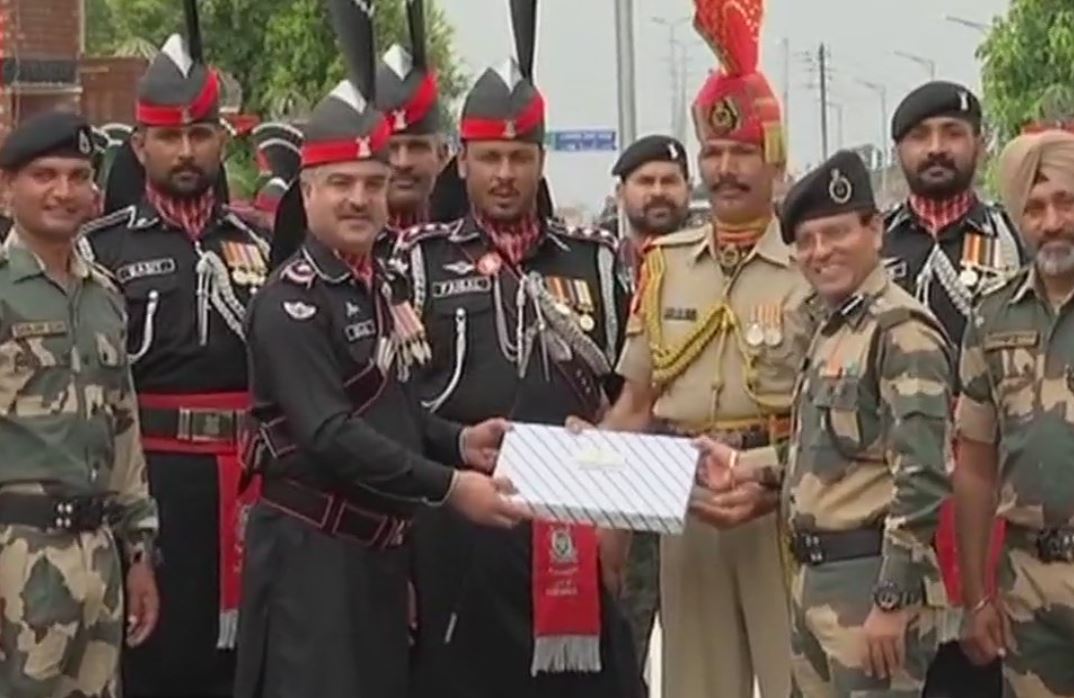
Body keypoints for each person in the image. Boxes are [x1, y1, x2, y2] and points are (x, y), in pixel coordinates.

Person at [232, 5, 527, 695]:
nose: (359, 199)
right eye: (340, 184)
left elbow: (390, 405)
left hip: (376, 558)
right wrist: (452, 488)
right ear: (307, 194)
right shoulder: (291, 300)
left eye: (371, 183)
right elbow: (332, 433)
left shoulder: (374, 282)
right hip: (312, 564)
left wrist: (460, 442)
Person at [395, 2, 638, 697]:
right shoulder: (415, 262)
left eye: (520, 157)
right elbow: (396, 404)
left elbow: (629, 396)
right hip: (458, 527)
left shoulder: (595, 264)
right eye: (490, 158)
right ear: (461, 161)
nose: (505, 174)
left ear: (541, 159)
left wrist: (616, 507)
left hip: (575, 528)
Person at [597, 2, 804, 696]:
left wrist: (770, 476)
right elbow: (634, 403)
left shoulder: (815, 265)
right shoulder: (665, 265)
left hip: (786, 512)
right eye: (712, 154)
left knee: (794, 685)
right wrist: (604, 517)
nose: (725, 169)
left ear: (775, 159)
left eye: (742, 151)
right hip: (687, 511)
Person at [698, 149, 954, 696]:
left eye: (836, 233)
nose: (820, 252)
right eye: (807, 241)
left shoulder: (900, 331)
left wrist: (891, 598)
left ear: (875, 231)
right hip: (815, 582)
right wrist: (745, 466)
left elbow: (923, 478)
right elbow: (829, 453)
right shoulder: (834, 328)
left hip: (871, 585)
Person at [78, 8, 269, 696]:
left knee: (247, 665)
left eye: (198, 134)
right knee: (158, 661)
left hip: (252, 483)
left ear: (222, 140)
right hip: (155, 484)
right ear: (139, 146)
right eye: (168, 137)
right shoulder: (100, 251)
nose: (185, 151)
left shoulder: (263, 247)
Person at [0, 110, 159, 697]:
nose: (63, 192)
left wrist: (138, 551)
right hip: (15, 556)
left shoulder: (105, 297)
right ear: (7, 186)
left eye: (77, 176)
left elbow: (123, 431)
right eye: (44, 175)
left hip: (98, 559)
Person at [883, 81, 1020, 698]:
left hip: (988, 494)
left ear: (979, 144)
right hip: (891, 499)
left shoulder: (1016, 239)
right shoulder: (870, 245)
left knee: (980, 670)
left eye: (952, 133)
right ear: (899, 151)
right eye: (920, 137)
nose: (936, 149)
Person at [955, 129, 1074, 698]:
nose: (1052, 222)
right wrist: (977, 596)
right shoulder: (992, 317)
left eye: (1066, 202)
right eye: (1035, 207)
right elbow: (975, 465)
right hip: (1028, 588)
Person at [376, 0, 449, 230]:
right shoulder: (339, 253)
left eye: (417, 147)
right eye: (390, 148)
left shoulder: (472, 252)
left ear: (442, 156)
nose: (402, 162)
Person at [612, 134, 691, 285]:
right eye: (646, 182)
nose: (658, 192)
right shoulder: (605, 271)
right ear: (620, 193)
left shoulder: (713, 268)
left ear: (689, 191)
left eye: (669, 181)